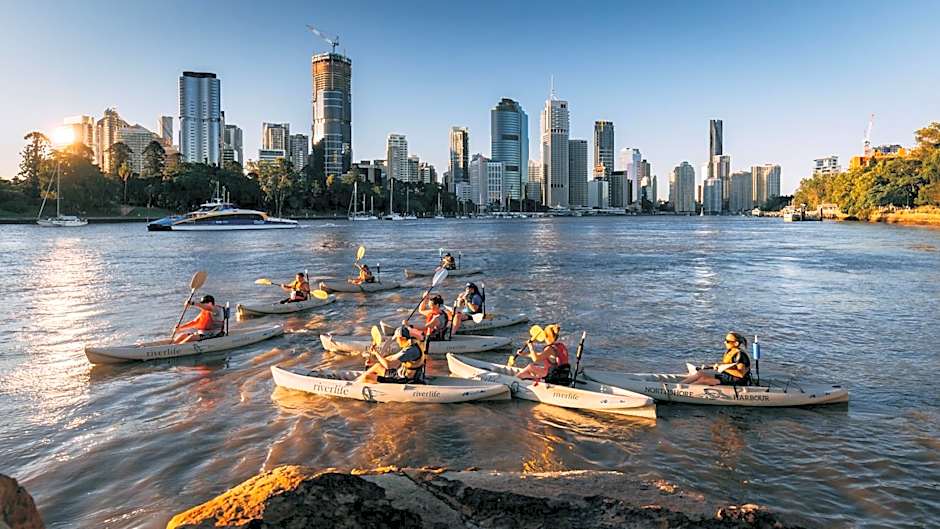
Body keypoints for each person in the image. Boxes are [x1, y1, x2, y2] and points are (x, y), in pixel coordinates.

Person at [356, 326, 427, 384]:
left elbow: (388, 365)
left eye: (397, 339)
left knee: (367, 377)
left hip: (405, 379)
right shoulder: (411, 345)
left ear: (402, 338)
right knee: (377, 366)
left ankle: (359, 384)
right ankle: (360, 381)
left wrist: (376, 353)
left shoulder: (409, 351)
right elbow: (391, 358)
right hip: (403, 374)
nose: (396, 341)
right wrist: (374, 361)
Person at [681, 332, 752, 386]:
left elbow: (740, 374)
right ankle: (680, 385)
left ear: (736, 343)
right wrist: (710, 366)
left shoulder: (741, 355)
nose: (725, 342)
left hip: (737, 381)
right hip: (726, 377)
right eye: (725, 340)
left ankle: (684, 391)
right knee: (700, 373)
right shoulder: (730, 351)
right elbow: (727, 365)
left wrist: (722, 369)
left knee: (703, 380)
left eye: (728, 341)